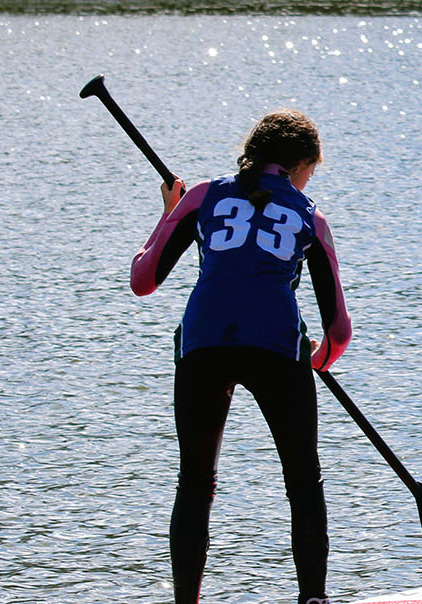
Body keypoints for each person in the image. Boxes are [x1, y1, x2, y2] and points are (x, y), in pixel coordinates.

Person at [130, 110, 350, 604]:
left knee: (195, 481)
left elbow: (143, 281)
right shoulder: (312, 217)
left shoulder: (202, 196)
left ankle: (186, 600)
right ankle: (313, 599)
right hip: (277, 347)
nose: (312, 177)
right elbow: (338, 331)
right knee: (303, 480)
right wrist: (318, 359)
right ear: (299, 164)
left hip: (203, 344)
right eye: (313, 168)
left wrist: (170, 212)